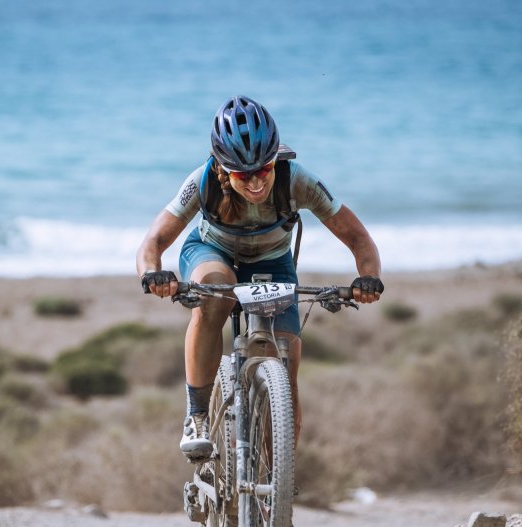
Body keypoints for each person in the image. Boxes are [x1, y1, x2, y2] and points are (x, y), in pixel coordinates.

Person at [137, 95, 383, 463]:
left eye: (264, 170)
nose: (255, 182)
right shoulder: (201, 181)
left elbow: (357, 237)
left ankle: (276, 492)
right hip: (211, 253)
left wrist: (368, 278)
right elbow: (153, 241)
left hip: (273, 262)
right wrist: (153, 274)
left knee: (286, 368)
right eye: (242, 175)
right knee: (214, 291)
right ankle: (197, 416)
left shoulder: (297, 180)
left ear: (275, 161)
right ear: (224, 170)